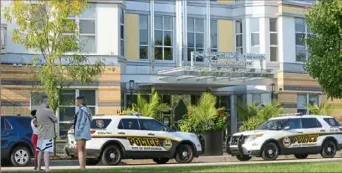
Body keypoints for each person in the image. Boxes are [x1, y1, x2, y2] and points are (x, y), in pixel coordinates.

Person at [35, 96, 57, 172]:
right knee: (46, 151)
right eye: (48, 101)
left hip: (40, 133)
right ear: (45, 101)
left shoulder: (38, 111)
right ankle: (47, 168)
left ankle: (38, 167)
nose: (49, 103)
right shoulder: (48, 111)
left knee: (40, 150)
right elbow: (55, 120)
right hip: (48, 133)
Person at [74, 96, 92, 170]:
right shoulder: (87, 109)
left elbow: (81, 122)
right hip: (85, 132)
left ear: (79, 101)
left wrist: (77, 133)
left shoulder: (81, 110)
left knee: (80, 150)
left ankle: (81, 167)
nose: (75, 102)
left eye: (76, 101)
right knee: (83, 149)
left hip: (81, 133)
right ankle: (83, 167)